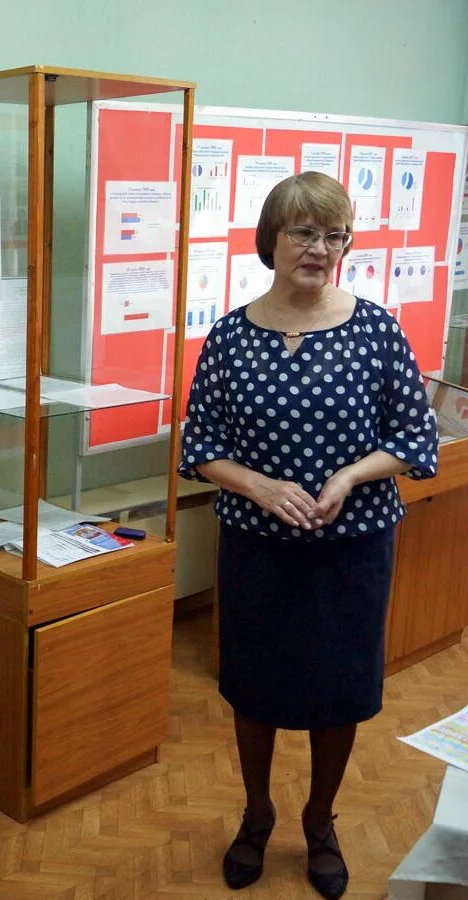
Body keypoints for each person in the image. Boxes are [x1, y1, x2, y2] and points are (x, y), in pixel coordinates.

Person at [178, 172, 438, 899]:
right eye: (303, 232)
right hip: (257, 549)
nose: (319, 248)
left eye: (334, 234)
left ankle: (320, 821)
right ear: (272, 240)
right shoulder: (230, 336)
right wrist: (259, 485)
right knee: (254, 690)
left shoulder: (376, 328)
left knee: (340, 690)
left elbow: (415, 439)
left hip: (352, 548)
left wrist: (351, 476)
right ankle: (256, 815)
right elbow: (200, 444)